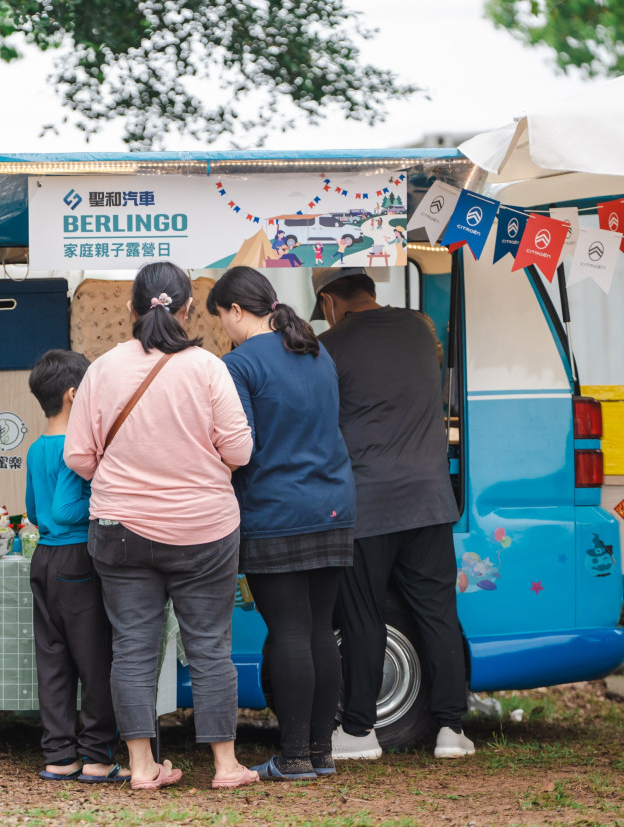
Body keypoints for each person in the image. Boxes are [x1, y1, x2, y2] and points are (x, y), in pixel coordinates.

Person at [65, 262, 257, 792]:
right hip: (204, 530)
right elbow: (239, 451)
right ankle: (225, 765)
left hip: (121, 530)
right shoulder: (209, 368)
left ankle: (142, 765)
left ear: (131, 309)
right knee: (210, 647)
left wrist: (120, 473)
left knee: (131, 647)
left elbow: (78, 455)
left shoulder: (102, 370)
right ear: (188, 309)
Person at [311, 267, 474, 760]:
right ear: (370, 288)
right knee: (438, 615)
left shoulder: (328, 346)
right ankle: (451, 731)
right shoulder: (420, 329)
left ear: (329, 301)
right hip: (429, 501)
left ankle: (360, 733)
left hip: (368, 505)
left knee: (363, 616)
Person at [208, 267, 356, 781]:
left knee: (290, 630)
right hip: (333, 505)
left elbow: (239, 447)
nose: (223, 328)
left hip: (276, 510)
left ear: (235, 311)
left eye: (221, 318)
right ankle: (320, 753)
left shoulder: (238, 364)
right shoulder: (315, 350)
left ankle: (293, 757)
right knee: (319, 629)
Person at [25, 349, 126, 784]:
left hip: (44, 559)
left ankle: (59, 755)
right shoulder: (75, 447)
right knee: (94, 660)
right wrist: (108, 500)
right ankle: (98, 756)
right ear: (73, 395)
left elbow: (35, 511)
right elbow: (66, 511)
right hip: (77, 558)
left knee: (54, 661)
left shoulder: (35, 448)